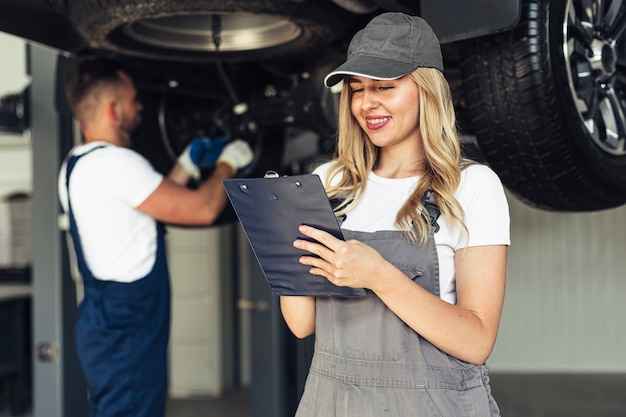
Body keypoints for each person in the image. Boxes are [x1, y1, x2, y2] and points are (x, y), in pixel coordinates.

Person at [280, 12, 510, 417]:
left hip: (430, 403)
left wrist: (381, 277)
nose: (367, 103)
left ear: (426, 91)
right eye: (357, 89)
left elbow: (477, 341)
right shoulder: (328, 182)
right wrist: (279, 238)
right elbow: (302, 323)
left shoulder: (471, 187)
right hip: (332, 401)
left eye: (384, 87)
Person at [57, 58, 253, 417]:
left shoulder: (79, 163)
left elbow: (143, 208)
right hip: (126, 327)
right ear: (114, 110)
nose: (141, 105)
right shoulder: (117, 163)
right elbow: (202, 209)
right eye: (134, 100)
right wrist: (229, 163)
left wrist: (187, 165)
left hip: (107, 322)